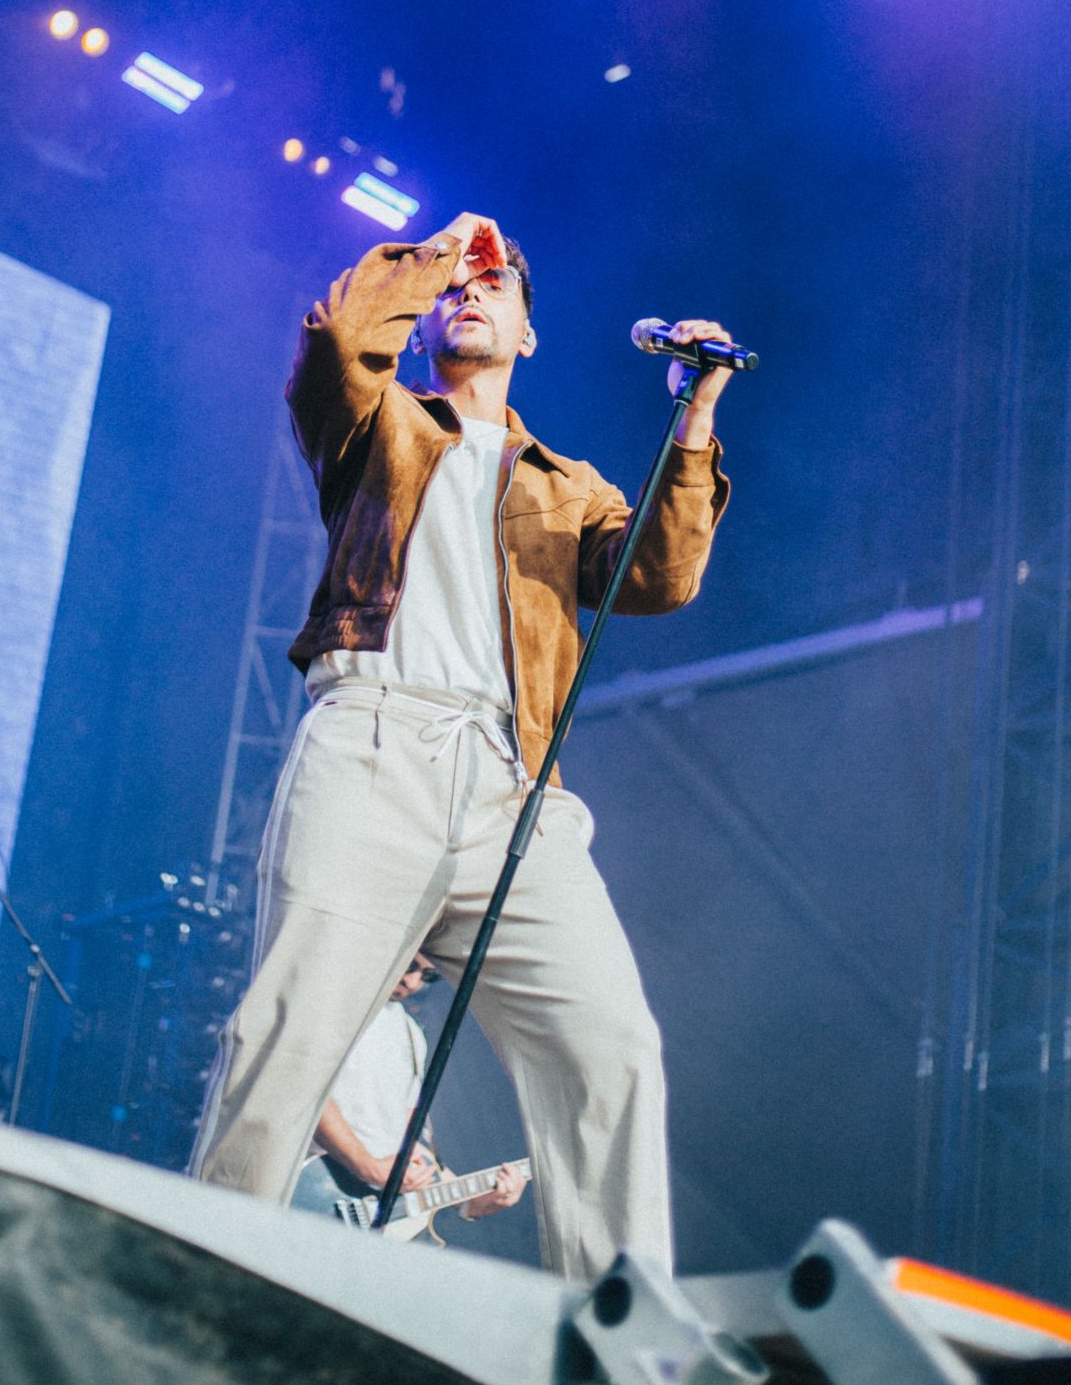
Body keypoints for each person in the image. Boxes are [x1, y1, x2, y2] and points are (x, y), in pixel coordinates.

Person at [191, 211, 735, 1279]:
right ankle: (195, 1287)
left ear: (529, 333)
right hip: (375, 741)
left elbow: (660, 577)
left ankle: (615, 1330)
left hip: (514, 787)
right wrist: (442, 248)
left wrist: (696, 413)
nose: (470, 292)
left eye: (496, 285)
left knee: (609, 1050)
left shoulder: (568, 484)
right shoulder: (376, 423)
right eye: (456, 288)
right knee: (289, 1033)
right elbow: (341, 339)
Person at [294, 954, 527, 1227]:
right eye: (411, 966)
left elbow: (406, 1140)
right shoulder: (334, 1004)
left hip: (367, 1206)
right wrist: (367, 1167)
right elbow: (307, 1092)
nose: (413, 982)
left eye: (427, 976)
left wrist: (470, 1202)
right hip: (315, 1184)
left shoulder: (411, 1034)